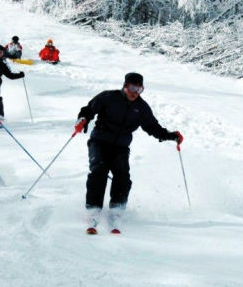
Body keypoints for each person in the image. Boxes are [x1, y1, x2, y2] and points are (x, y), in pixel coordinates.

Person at [77, 72, 183, 234]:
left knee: (123, 176)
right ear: (125, 86)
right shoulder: (108, 97)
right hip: (99, 142)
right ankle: (93, 209)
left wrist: (171, 136)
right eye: (132, 88)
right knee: (99, 170)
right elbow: (89, 109)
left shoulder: (141, 108)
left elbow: (152, 127)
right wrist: (83, 119)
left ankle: (117, 210)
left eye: (139, 89)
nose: (135, 92)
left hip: (120, 147)